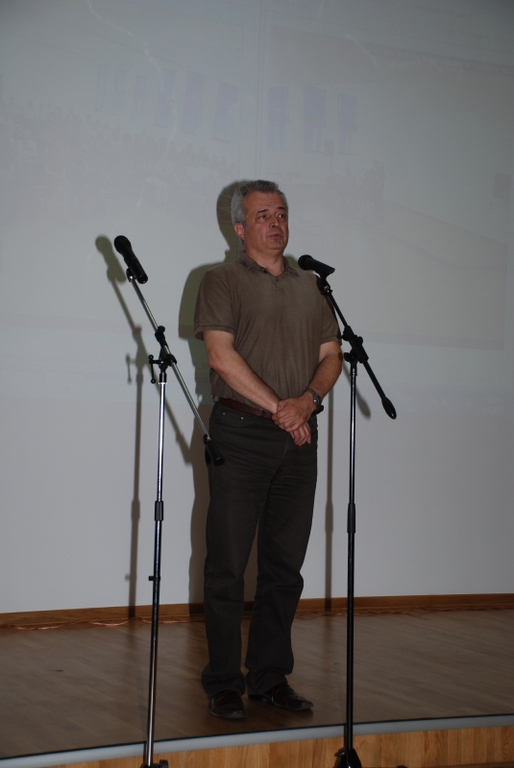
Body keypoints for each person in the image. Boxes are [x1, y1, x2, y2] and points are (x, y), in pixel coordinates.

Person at [194, 179, 342, 720]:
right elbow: (220, 356)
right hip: (242, 432)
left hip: (299, 438)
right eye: (262, 215)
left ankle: (269, 676)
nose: (275, 223)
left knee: (285, 567)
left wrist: (307, 402)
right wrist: (283, 408)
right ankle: (223, 682)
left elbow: (332, 355)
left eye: (281, 213)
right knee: (228, 567)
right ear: (239, 227)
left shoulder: (312, 286)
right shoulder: (221, 280)